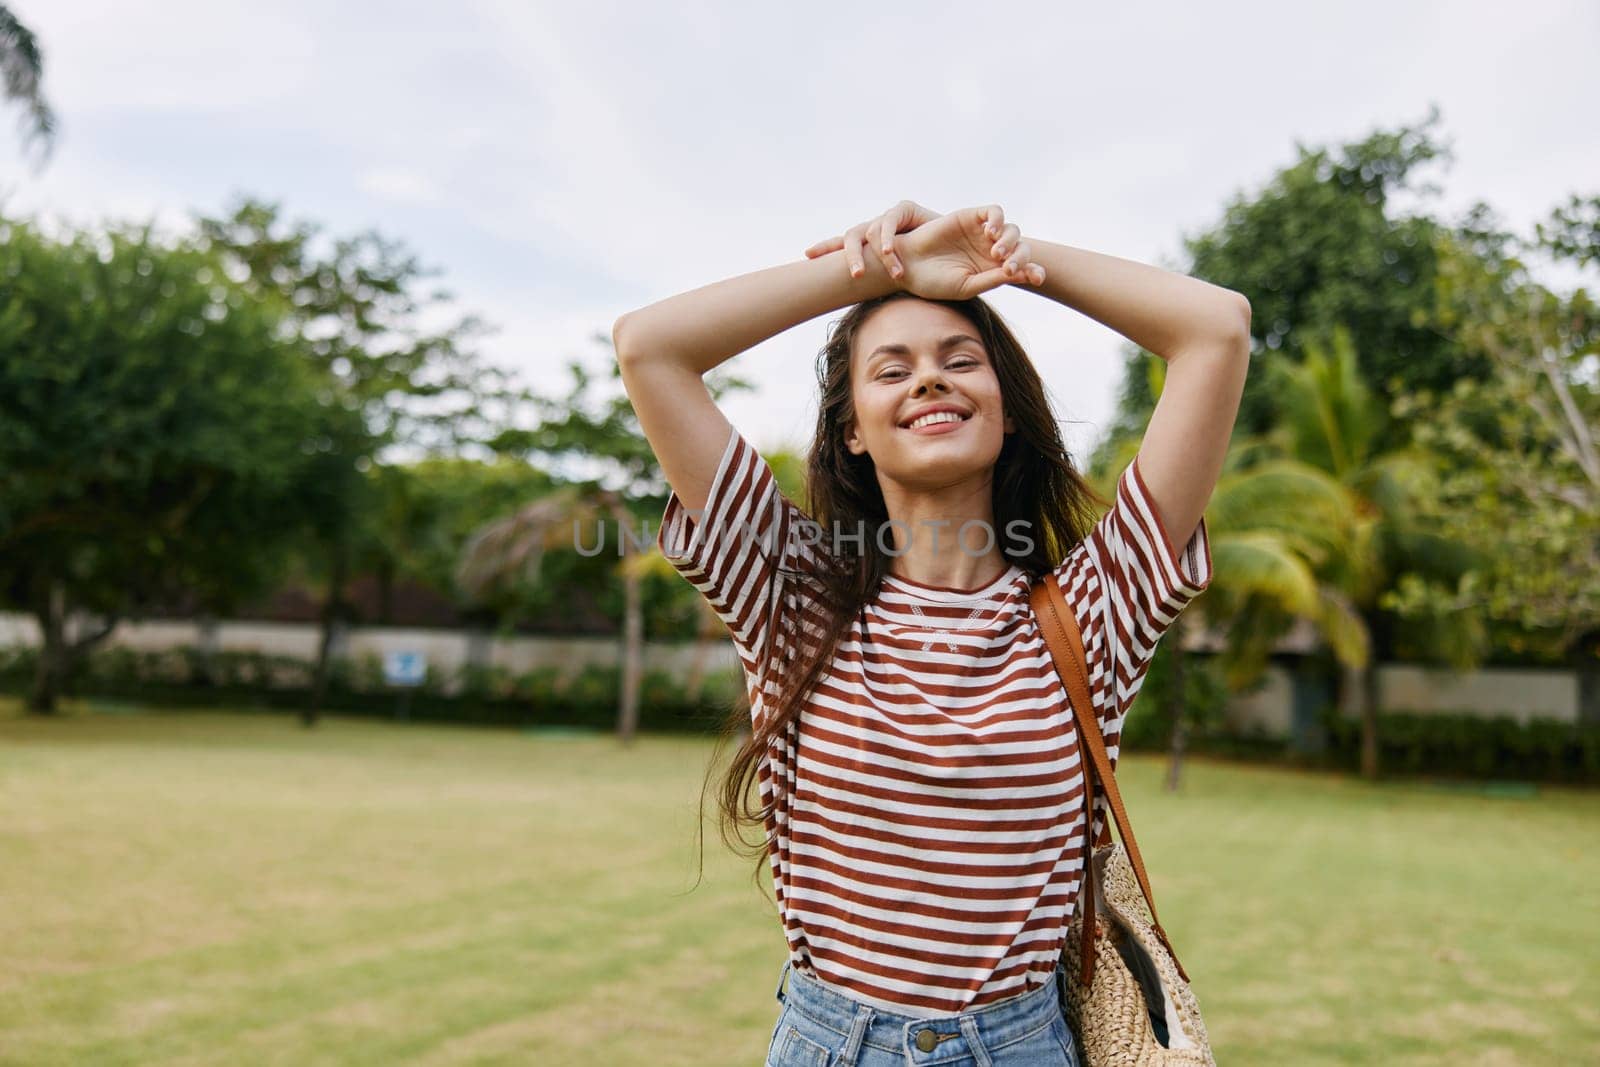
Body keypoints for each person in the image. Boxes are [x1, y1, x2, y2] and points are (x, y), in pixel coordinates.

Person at [614, 201, 1248, 1066]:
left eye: (961, 360)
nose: (928, 380)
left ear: (1009, 410)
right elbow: (651, 347)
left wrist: (1004, 258)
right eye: (891, 370)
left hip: (1021, 1046)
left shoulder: (1096, 610)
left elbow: (1216, 328)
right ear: (852, 432)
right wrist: (890, 268)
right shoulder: (790, 597)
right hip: (830, 1043)